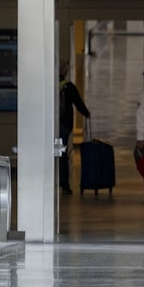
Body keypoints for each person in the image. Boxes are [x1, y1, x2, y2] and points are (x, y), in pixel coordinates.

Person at [57, 60, 91, 195]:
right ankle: (64, 185)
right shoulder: (68, 87)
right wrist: (86, 113)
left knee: (50, 153)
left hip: (49, 126)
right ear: (64, 72)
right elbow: (78, 103)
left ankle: (48, 180)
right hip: (64, 125)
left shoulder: (47, 84)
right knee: (62, 154)